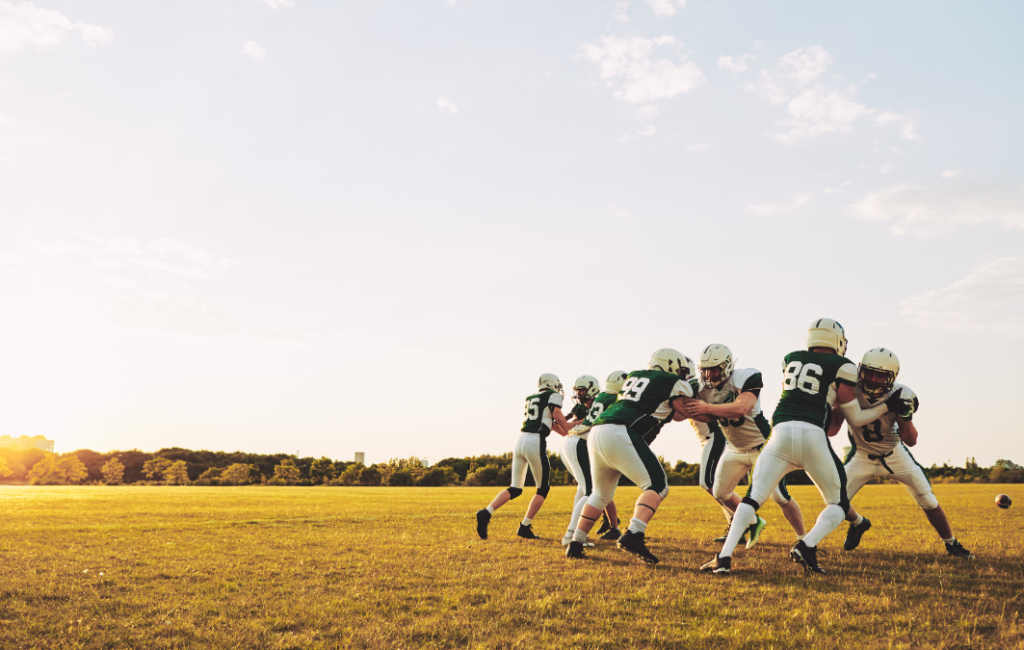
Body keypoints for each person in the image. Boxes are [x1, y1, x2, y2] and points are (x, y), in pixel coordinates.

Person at [701, 319, 904, 574]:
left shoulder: (790, 358)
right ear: (838, 341)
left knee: (752, 498)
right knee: (838, 503)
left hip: (780, 431)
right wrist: (888, 406)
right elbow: (856, 418)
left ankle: (724, 558)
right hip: (811, 434)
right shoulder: (844, 366)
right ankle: (806, 545)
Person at [829, 348, 973, 559]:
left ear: (892, 378)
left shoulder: (901, 394)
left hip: (894, 454)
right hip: (861, 456)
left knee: (928, 500)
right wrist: (832, 409)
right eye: (870, 373)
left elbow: (911, 440)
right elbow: (832, 430)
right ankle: (858, 523)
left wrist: (906, 416)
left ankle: (951, 543)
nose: (874, 379)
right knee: (835, 501)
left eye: (881, 375)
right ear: (861, 371)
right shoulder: (849, 391)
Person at [565, 349, 696, 564]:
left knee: (599, 495)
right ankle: (634, 534)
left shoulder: (634, 376)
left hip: (597, 432)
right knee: (658, 485)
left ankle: (576, 543)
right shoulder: (672, 381)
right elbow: (685, 410)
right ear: (671, 366)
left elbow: (669, 411)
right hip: (620, 432)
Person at [685, 344, 806, 548]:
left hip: (764, 449)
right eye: (705, 369)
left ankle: (804, 539)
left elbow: (741, 408)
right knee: (720, 492)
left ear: (727, 366)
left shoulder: (744, 378)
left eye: (714, 369)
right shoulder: (700, 388)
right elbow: (695, 414)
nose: (709, 374)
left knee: (780, 497)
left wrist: (706, 407)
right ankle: (753, 521)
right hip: (735, 449)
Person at [476, 373, 570, 540]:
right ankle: (525, 526)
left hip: (521, 441)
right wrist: (580, 424)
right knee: (543, 488)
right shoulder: (552, 396)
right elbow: (560, 421)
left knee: (515, 488)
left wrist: (570, 423)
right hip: (536, 441)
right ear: (552, 384)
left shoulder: (531, 397)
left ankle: (486, 512)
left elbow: (556, 426)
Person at [560, 374, 601, 547]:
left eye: (581, 390)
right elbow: (565, 421)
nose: (579, 394)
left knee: (582, 489)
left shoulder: (596, 404)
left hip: (571, 444)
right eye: (578, 391)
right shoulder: (597, 405)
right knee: (590, 492)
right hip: (577, 444)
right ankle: (571, 535)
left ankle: (575, 530)